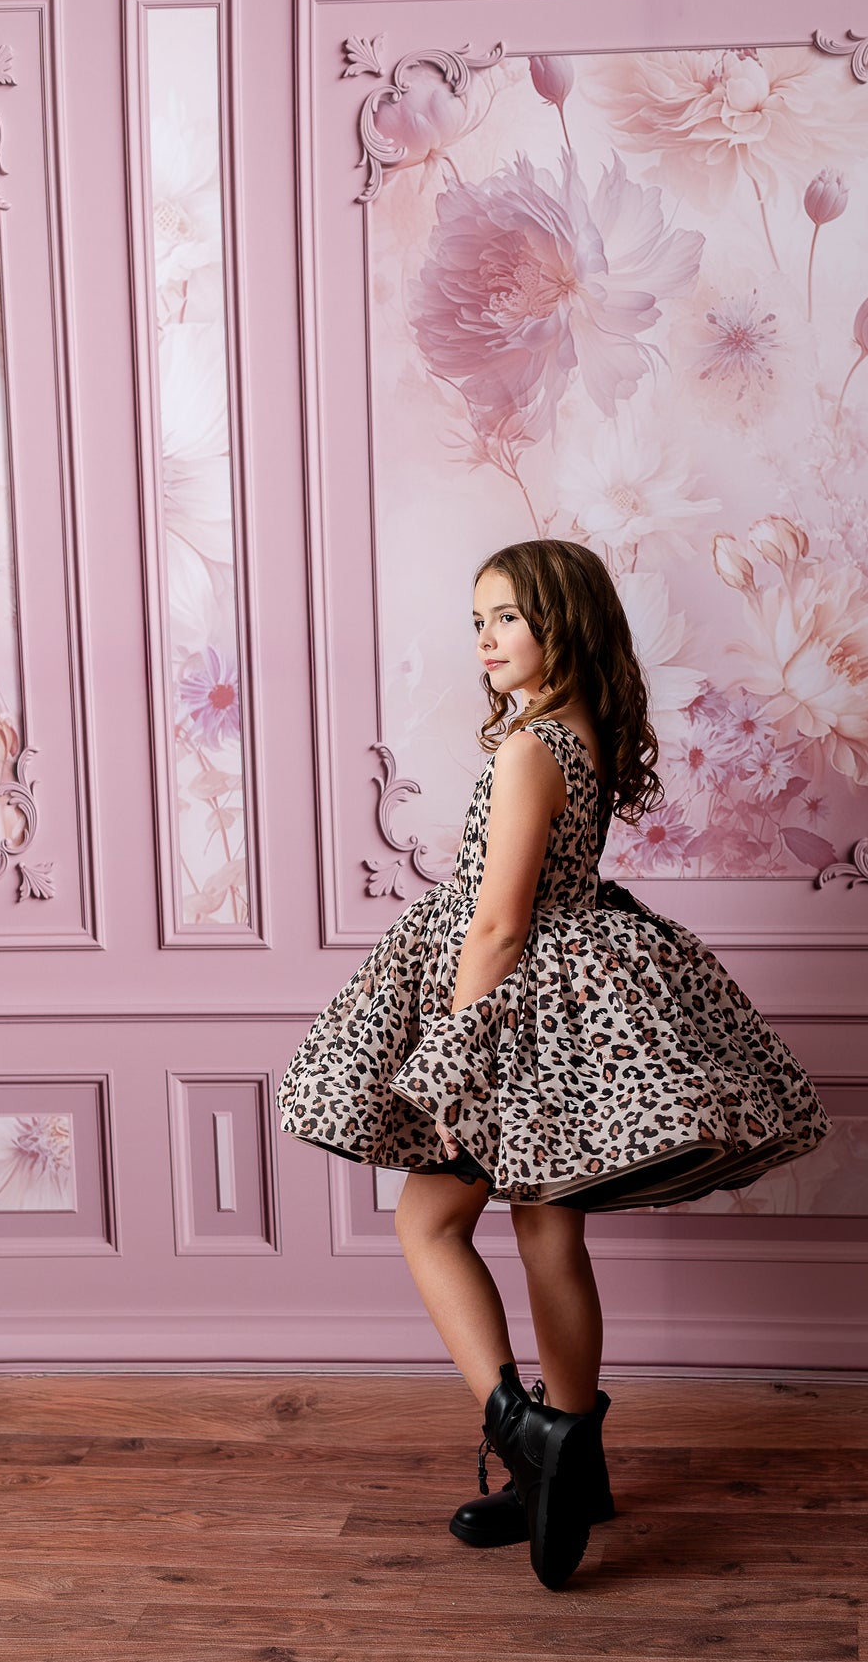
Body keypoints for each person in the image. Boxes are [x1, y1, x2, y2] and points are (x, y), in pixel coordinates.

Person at [276, 538, 832, 1589]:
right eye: (477, 619)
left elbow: (497, 922)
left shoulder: (531, 746)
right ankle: (574, 1462)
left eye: (506, 619)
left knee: (426, 1218)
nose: (485, 639)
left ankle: (526, 1434)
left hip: (518, 1006)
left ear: (560, 626)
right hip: (568, 1001)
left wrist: (450, 1060)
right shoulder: (583, 728)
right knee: (545, 1226)